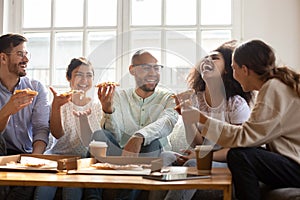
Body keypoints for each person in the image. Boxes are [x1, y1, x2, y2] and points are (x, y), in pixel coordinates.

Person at [183, 39, 300, 200]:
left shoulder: (273, 88)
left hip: (296, 167)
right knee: (243, 153)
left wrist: (202, 119)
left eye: (234, 68)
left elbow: (244, 136)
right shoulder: (275, 86)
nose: (233, 74)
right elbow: (253, 138)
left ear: (244, 70)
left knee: (240, 155)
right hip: (291, 162)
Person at [160, 40, 253, 200]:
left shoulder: (236, 104)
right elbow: (197, 144)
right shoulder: (196, 100)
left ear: (227, 70)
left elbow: (238, 151)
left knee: (191, 165)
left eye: (215, 58)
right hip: (202, 157)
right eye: (205, 58)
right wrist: (186, 116)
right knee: (164, 157)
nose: (207, 61)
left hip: (227, 161)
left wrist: (198, 157)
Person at [91, 49, 178, 199]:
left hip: (152, 153)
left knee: (153, 143)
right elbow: (114, 136)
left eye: (156, 68)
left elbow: (168, 121)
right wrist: (108, 110)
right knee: (99, 135)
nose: (152, 73)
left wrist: (139, 136)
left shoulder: (169, 98)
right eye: (146, 67)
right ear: (132, 70)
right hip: (120, 153)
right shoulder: (119, 95)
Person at [34, 57, 103, 200]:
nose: (84, 80)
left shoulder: (96, 106)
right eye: (79, 75)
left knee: (72, 193)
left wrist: (84, 122)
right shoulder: (61, 102)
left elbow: (92, 142)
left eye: (89, 75)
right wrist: (56, 107)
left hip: (79, 160)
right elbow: (57, 134)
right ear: (68, 77)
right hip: (55, 157)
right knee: (42, 194)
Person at [0, 33, 50, 199]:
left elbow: (41, 128)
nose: (26, 60)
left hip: (27, 155)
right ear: (3, 58)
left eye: (26, 54)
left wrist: (34, 161)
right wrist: (8, 109)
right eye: (20, 54)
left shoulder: (36, 87)